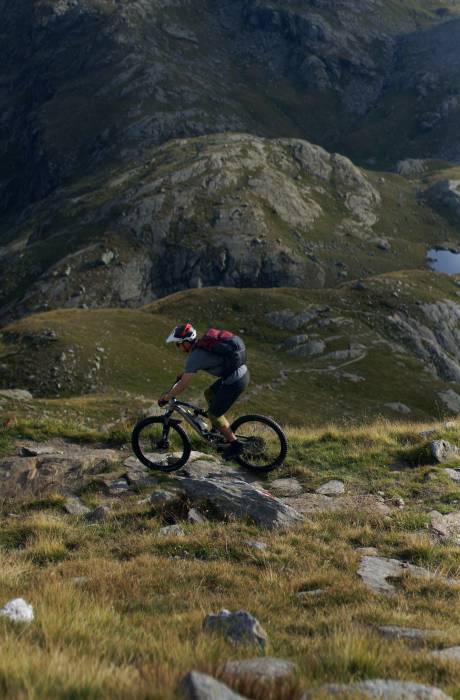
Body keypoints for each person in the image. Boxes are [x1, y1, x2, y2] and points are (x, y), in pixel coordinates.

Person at [158, 323, 249, 460]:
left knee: (213, 414)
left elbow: (183, 385)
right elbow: (205, 361)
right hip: (241, 373)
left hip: (234, 380)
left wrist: (167, 397)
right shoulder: (201, 346)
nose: (178, 348)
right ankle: (218, 430)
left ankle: (236, 445)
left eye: (178, 344)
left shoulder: (195, 357)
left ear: (186, 343)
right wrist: (184, 373)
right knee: (209, 393)